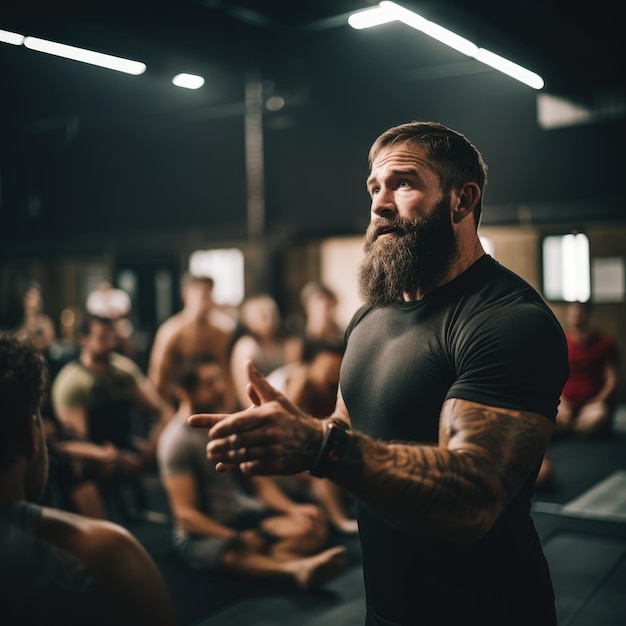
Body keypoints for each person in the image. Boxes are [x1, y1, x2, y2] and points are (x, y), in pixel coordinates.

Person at [189, 121, 569, 626]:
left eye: (403, 183)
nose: (380, 204)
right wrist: (300, 433)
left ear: (462, 200)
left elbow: (473, 498)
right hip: (385, 608)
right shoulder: (370, 316)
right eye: (374, 187)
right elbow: (350, 426)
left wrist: (323, 448)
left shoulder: (507, 320)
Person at [0, 331, 179, 626]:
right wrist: (100, 454)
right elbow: (71, 439)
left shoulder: (123, 370)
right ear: (31, 436)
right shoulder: (109, 555)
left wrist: (140, 450)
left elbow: (156, 408)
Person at [156, 353, 348, 588]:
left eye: (218, 379)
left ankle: (269, 561)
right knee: (232, 554)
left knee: (313, 527)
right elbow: (186, 516)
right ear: (185, 393)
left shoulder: (226, 423)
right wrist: (235, 537)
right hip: (205, 532)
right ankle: (295, 569)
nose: (219, 388)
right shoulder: (175, 441)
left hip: (243, 515)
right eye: (209, 384)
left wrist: (293, 509)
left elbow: (260, 485)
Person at [51, 314, 171, 519]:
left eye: (111, 336)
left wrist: (152, 444)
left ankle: (150, 515)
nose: (110, 342)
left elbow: (159, 410)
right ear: (83, 339)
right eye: (102, 337)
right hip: (96, 452)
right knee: (81, 466)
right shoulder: (72, 382)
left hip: (124, 443)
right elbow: (75, 441)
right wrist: (113, 456)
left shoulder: (123, 369)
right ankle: (100, 525)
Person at [151, 274, 236, 410]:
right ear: (186, 295)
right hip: (180, 403)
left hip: (213, 401)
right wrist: (167, 412)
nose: (204, 297)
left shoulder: (222, 332)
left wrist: (229, 406)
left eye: (208, 292)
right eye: (199, 292)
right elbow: (158, 380)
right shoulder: (171, 333)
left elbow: (226, 371)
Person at [557, 300, 620, 436]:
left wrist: (599, 400)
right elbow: (552, 375)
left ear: (587, 315)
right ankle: (568, 425)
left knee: (596, 420)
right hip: (566, 402)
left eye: (580, 313)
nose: (576, 316)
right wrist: (560, 398)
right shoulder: (560, 341)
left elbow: (611, 378)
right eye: (573, 313)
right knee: (554, 419)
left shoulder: (604, 342)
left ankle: (576, 428)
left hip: (592, 403)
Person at [230, 294, 301, 410]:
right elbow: (247, 395)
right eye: (263, 314)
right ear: (249, 319)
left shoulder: (283, 344)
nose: (270, 318)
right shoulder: (247, 347)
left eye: (273, 313)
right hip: (260, 407)